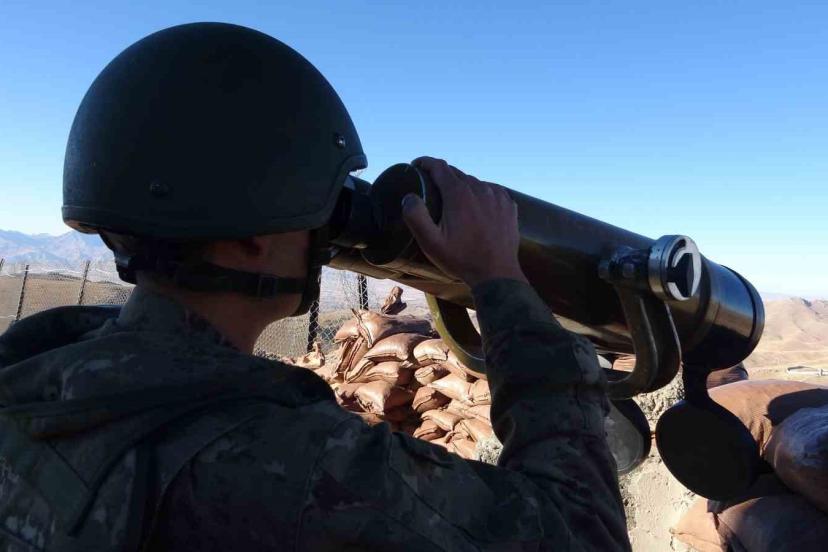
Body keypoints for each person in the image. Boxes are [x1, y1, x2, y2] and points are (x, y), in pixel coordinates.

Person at [0, 23, 630, 551]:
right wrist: (499, 278)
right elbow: (579, 533)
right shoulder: (283, 466)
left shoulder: (39, 379)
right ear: (254, 234)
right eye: (321, 204)